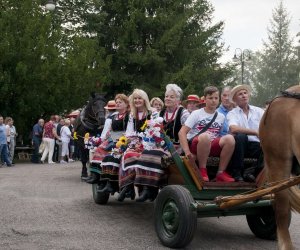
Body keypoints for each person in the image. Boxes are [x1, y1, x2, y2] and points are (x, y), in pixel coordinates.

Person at [179, 86, 235, 182]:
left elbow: (220, 135)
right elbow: (182, 132)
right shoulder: (196, 113)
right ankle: (202, 170)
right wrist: (187, 152)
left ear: (219, 99)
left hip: (210, 145)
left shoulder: (221, 116)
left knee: (230, 138)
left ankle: (220, 172)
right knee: (206, 136)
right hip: (196, 144)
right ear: (205, 99)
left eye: (216, 98)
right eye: (210, 98)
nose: (213, 101)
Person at [87, 94, 130, 184]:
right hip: (113, 138)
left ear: (126, 104)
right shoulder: (113, 117)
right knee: (100, 148)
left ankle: (111, 177)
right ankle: (96, 175)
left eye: (120, 102)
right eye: (116, 102)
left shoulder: (129, 115)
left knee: (113, 151)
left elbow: (130, 130)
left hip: (125, 139)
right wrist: (102, 138)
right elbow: (108, 131)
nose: (117, 104)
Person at [226, 84, 264, 182]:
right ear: (235, 99)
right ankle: (237, 173)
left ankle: (252, 172)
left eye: (245, 93)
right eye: (240, 94)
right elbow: (233, 128)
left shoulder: (259, 111)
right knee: (241, 137)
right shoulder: (232, 113)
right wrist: (255, 132)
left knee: (270, 146)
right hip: (240, 146)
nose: (244, 95)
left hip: (257, 145)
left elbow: (268, 126)